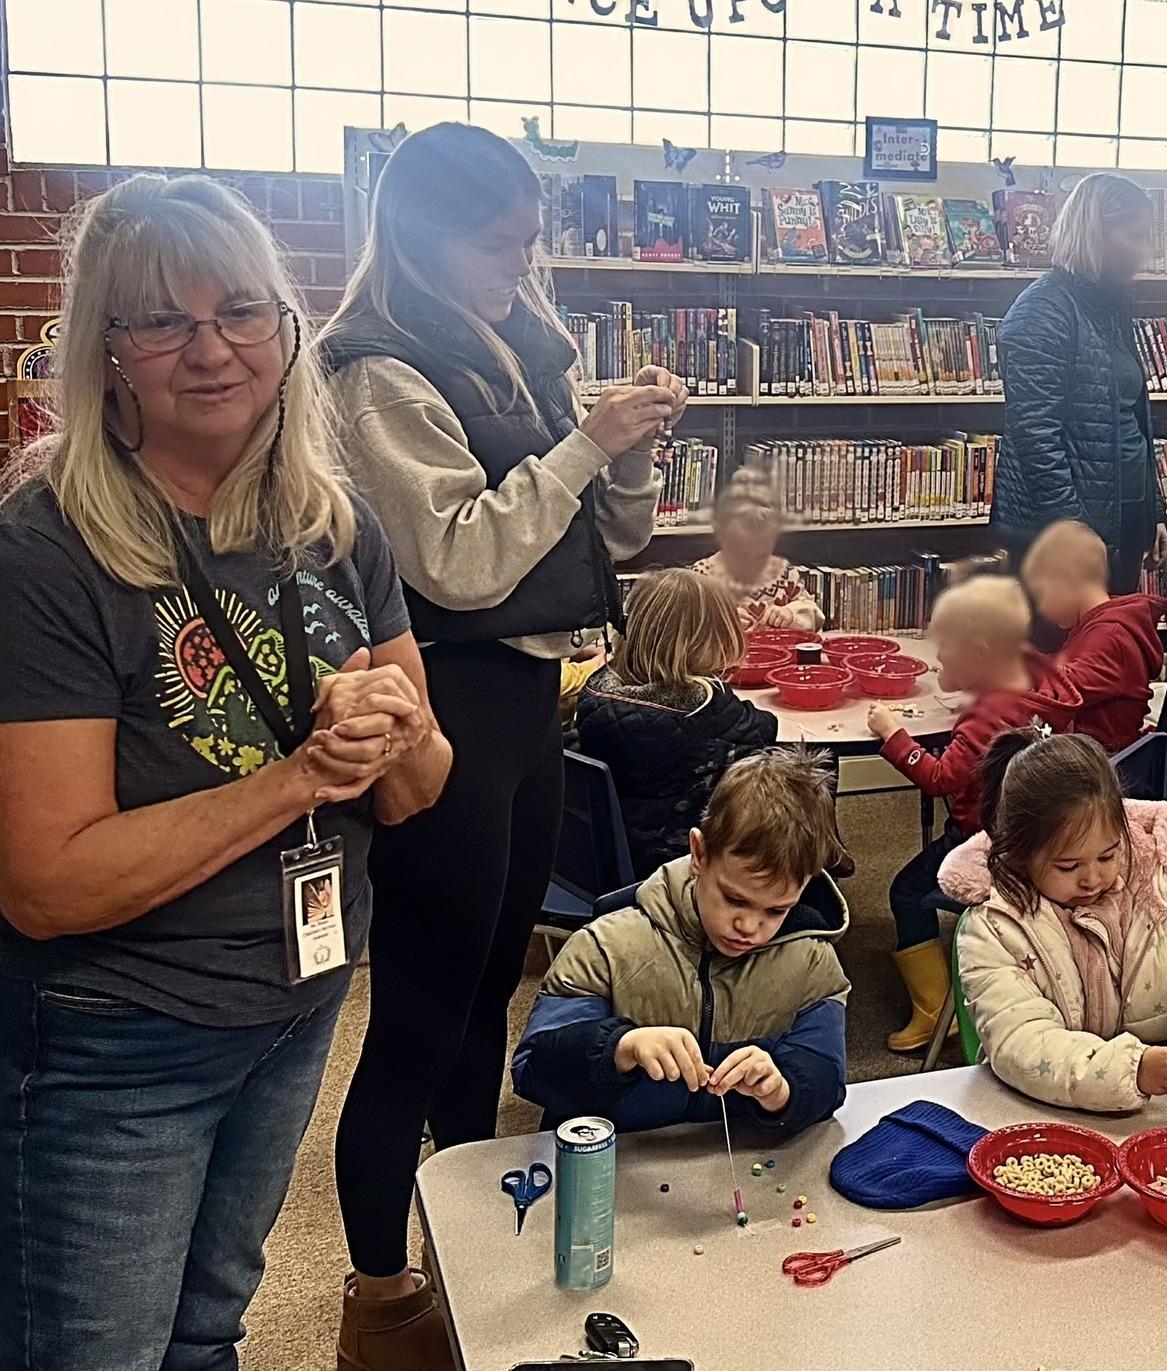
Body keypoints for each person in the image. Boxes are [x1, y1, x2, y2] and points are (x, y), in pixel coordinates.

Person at [0, 174, 449, 1371]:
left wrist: (393, 723)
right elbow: (47, 884)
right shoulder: (48, 553)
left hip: (295, 1004)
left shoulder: (332, 519)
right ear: (107, 353)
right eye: (165, 321)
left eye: (243, 312)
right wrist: (303, 775)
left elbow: (422, 786)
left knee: (208, 1334)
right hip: (117, 1033)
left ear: (287, 332)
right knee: (91, 1353)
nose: (214, 351)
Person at [319, 122, 683, 1369]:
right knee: (416, 1014)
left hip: (529, 701)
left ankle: (463, 1241)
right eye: (499, 244)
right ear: (422, 238)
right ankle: (380, 1297)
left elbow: (605, 541)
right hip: (443, 699)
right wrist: (589, 442)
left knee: (489, 990)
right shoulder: (374, 370)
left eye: (532, 243)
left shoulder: (520, 343)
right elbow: (462, 563)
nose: (523, 268)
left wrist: (627, 451)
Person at [510, 749, 850, 1135]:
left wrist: (783, 1091)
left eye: (776, 911)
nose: (749, 926)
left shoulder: (812, 963)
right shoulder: (605, 948)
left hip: (734, 1164)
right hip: (611, 1164)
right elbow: (534, 1070)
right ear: (700, 853)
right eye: (735, 899)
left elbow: (826, 1078)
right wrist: (621, 1047)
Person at [940, 729, 1167, 1110]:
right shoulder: (996, 926)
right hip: (1046, 1109)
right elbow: (1021, 1046)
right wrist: (1132, 1071)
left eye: (1107, 855)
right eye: (1069, 867)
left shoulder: (1159, 872)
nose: (1093, 878)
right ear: (1018, 855)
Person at [866, 576, 1082, 1051]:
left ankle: (931, 1011)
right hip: (1034, 829)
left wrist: (893, 736)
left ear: (982, 651)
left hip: (985, 842)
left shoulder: (989, 715)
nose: (938, 657)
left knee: (905, 891)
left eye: (946, 648)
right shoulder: (1032, 678)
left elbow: (942, 778)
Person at [994, 173, 1167, 594]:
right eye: (1136, 237)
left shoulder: (1112, 305)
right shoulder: (1042, 311)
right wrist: (1072, 534)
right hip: (1065, 532)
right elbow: (1036, 437)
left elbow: (1131, 418)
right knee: (1062, 656)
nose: (1145, 251)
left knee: (1108, 649)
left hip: (1121, 517)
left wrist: (1154, 511)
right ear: (1097, 235)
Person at [575, 569, 777, 876]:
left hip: (611, 857)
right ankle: (819, 858)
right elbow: (765, 728)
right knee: (798, 764)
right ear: (715, 638)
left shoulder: (595, 690)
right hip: (686, 861)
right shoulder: (707, 704)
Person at [1020, 518, 1165, 753]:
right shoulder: (1094, 626)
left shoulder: (1112, 637)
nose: (1042, 608)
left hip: (1106, 768)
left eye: (1042, 593)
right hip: (1086, 753)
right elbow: (1061, 671)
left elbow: (1058, 693)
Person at [688, 468, 823, 630]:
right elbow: (689, 623)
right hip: (725, 653)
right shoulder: (701, 577)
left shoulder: (784, 573)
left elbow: (812, 612)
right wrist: (722, 621)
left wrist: (790, 613)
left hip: (779, 653)